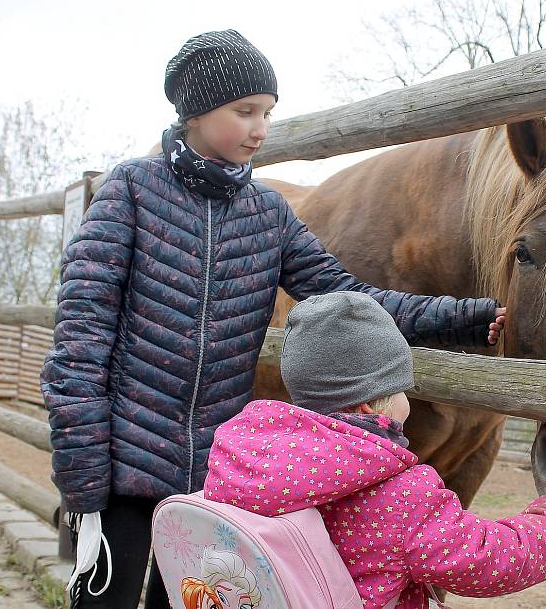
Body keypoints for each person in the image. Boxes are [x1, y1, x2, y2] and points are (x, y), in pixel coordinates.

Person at [40, 30, 505, 609]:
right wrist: (83, 474)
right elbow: (79, 344)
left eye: (268, 113)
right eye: (246, 111)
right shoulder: (130, 193)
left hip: (215, 479)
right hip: (119, 468)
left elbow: (347, 298)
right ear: (196, 112)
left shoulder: (268, 215)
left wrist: (464, 317)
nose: (262, 129)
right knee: (100, 602)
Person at [205, 292, 546, 608]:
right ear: (370, 408)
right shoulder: (399, 495)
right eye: (401, 389)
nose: (408, 400)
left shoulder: (241, 456)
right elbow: (488, 559)